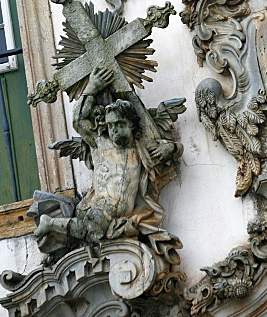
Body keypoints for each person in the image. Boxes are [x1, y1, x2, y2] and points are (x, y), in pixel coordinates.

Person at [32, 66, 182, 255]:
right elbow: (78, 120)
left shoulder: (141, 148)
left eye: (120, 125)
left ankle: (54, 225)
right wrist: (92, 88)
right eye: (111, 125)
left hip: (124, 214)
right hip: (99, 208)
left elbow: (173, 151)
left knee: (96, 233)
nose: (114, 130)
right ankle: (50, 223)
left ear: (131, 125)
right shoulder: (99, 144)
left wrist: (172, 147)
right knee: (94, 229)